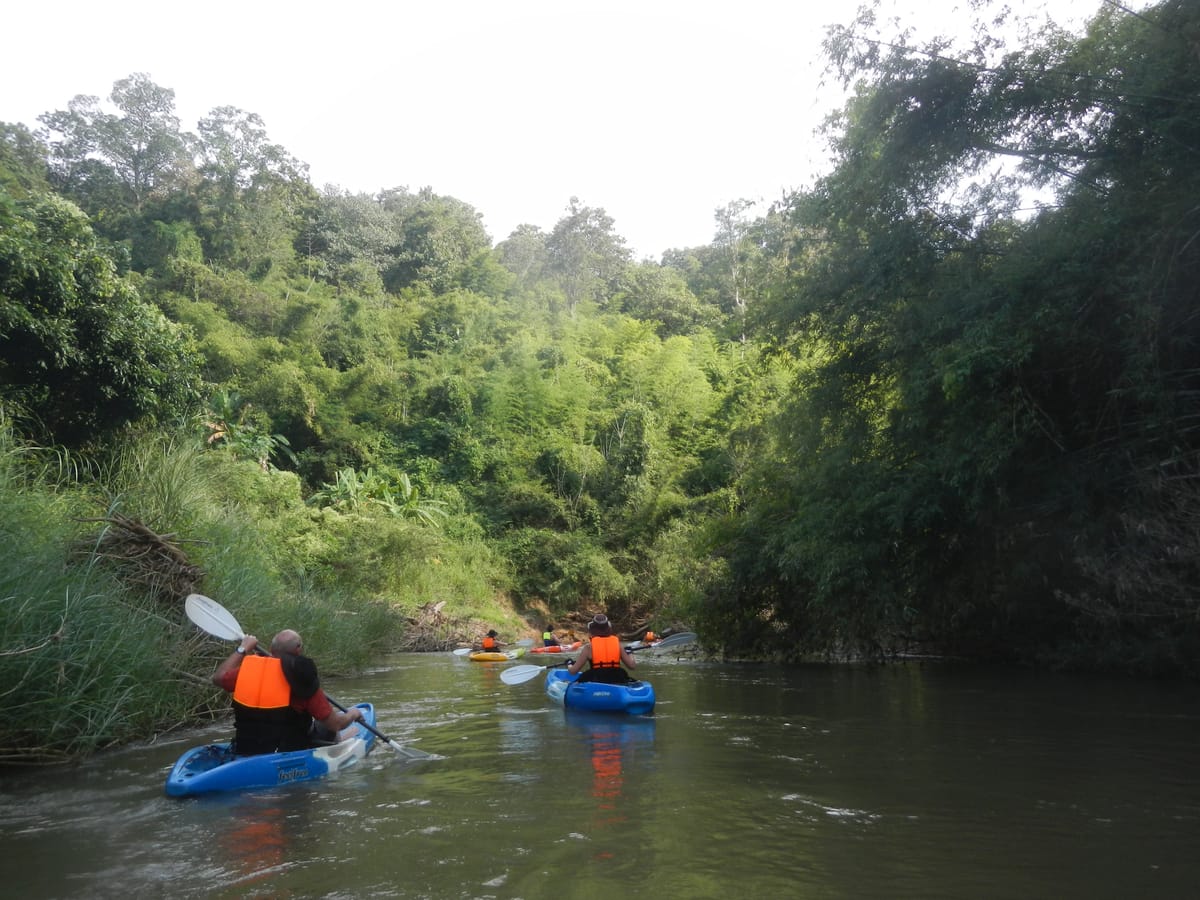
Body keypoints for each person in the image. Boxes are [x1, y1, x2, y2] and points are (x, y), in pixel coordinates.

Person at [211, 628, 366, 756]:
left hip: (246, 748)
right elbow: (334, 724)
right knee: (325, 724)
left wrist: (242, 648)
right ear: (298, 650)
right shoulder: (300, 676)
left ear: (271, 649)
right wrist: (353, 713)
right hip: (288, 752)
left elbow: (218, 678)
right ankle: (341, 742)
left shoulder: (247, 671)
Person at [567, 614, 638, 684]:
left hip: (596, 678)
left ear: (593, 629)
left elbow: (573, 671)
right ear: (608, 628)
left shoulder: (588, 647)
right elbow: (632, 666)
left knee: (576, 682)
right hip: (617, 677)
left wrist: (569, 664)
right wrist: (629, 653)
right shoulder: (618, 644)